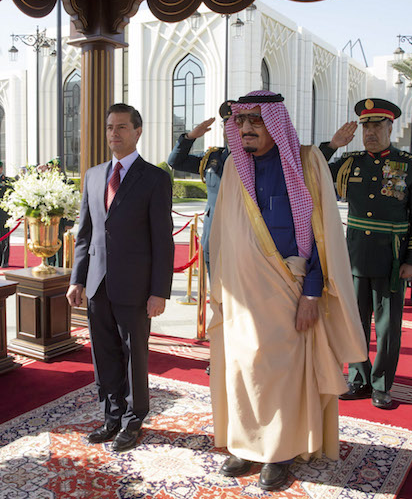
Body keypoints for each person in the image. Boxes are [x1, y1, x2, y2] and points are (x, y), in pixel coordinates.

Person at [208, 90, 367, 491]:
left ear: (276, 123)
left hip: (289, 291)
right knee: (243, 368)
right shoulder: (232, 168)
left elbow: (324, 236)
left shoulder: (307, 162)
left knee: (278, 372)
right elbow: (223, 236)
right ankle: (245, 446)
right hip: (240, 291)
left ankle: (278, 452)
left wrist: (312, 293)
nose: (245, 129)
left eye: (255, 121)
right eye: (240, 121)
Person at [66, 103, 174, 453]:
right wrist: (76, 279)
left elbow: (163, 240)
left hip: (136, 287)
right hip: (97, 284)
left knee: (133, 355)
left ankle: (133, 419)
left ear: (137, 132)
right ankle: (110, 416)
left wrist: (159, 291)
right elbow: (85, 234)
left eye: (123, 127)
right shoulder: (94, 175)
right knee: (105, 354)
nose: (115, 133)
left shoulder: (155, 178)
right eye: (111, 127)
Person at [320, 98, 412, 409]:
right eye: (365, 125)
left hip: (392, 257)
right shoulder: (350, 162)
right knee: (354, 321)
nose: (370, 131)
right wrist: (332, 145)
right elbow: (311, 173)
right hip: (354, 255)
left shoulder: (410, 164)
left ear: (390, 126)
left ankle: (382, 385)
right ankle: (359, 378)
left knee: (387, 325)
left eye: (377, 124)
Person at [167, 100, 234, 275]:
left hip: (239, 238)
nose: (230, 128)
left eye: (235, 123)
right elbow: (175, 161)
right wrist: (190, 137)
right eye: (226, 124)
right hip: (212, 237)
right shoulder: (213, 157)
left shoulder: (255, 160)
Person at [41, 158, 76, 267]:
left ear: (59, 169)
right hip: (48, 219)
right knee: (48, 244)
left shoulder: (67, 183)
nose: (51, 171)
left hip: (61, 220)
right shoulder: (46, 183)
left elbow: (72, 204)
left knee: (60, 245)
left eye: (53, 168)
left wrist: (70, 222)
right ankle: (50, 265)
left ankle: (60, 267)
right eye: (49, 169)